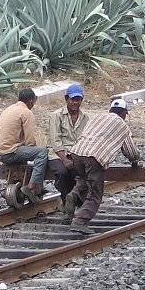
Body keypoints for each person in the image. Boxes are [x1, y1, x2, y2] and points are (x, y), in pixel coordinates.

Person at [68, 99, 140, 234]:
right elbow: (130, 152)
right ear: (124, 113)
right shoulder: (122, 125)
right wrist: (135, 160)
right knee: (96, 193)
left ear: (110, 110)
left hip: (77, 153)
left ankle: (74, 195)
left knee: (84, 180)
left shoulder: (98, 117)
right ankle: (80, 221)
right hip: (94, 157)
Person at [0, 88, 49, 203]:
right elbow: (30, 140)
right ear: (32, 101)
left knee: (26, 153)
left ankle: (20, 185)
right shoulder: (26, 112)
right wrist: (37, 152)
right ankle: (32, 188)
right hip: (9, 151)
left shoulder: (9, 109)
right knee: (42, 152)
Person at [46, 83, 89, 217]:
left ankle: (77, 202)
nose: (75, 102)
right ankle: (66, 203)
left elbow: (86, 138)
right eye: (73, 99)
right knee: (63, 172)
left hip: (76, 153)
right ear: (66, 99)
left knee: (84, 173)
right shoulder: (56, 115)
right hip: (57, 154)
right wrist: (64, 159)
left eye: (78, 99)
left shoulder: (85, 118)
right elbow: (55, 140)